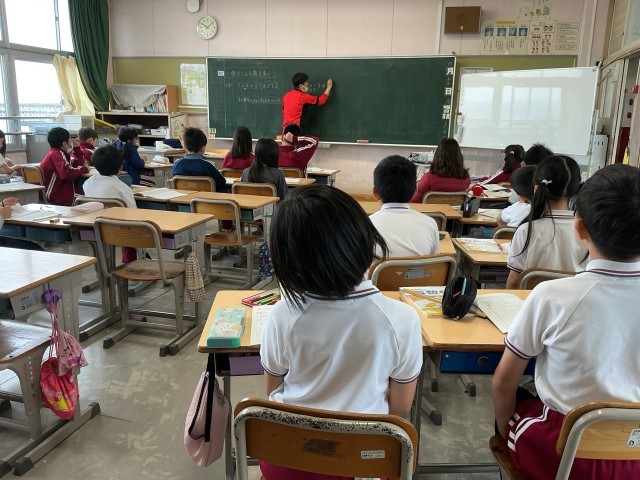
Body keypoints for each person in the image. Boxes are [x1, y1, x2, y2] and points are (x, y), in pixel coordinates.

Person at [260, 185, 423, 480]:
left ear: (289, 260)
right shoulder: (402, 319)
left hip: (288, 457)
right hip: (366, 459)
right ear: (363, 238)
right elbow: (399, 408)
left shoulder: (282, 315)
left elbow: (272, 390)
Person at [493, 164, 640, 479]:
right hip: (635, 451)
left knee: (520, 402)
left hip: (565, 452)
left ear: (580, 229)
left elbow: (504, 382)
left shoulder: (552, 296)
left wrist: (506, 439)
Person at [505, 155, 588, 289]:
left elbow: (514, 281)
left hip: (532, 300)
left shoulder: (526, 230)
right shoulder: (588, 232)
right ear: (578, 188)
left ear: (536, 188)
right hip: (575, 300)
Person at [370, 155, 440, 257]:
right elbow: (435, 262)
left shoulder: (366, 225)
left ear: (375, 193)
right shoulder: (430, 223)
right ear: (415, 191)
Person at [83, 145, 138, 264]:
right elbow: (133, 213)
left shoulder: (88, 183)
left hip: (94, 228)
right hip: (118, 232)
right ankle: (130, 263)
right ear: (120, 167)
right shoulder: (122, 187)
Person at [40, 127, 89, 206]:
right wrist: (84, 169)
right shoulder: (56, 154)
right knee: (90, 198)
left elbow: (78, 165)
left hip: (59, 193)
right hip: (56, 197)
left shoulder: (58, 153)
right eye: (70, 138)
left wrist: (76, 149)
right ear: (65, 143)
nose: (72, 140)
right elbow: (67, 174)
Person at [410, 138, 470, 203]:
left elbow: (415, 202)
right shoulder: (465, 179)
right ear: (459, 156)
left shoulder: (428, 178)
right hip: (454, 209)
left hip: (431, 210)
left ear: (437, 156)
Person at [172, 127, 225, 191]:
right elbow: (222, 182)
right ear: (203, 149)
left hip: (183, 195)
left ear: (185, 147)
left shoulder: (177, 163)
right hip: (205, 196)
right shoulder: (207, 165)